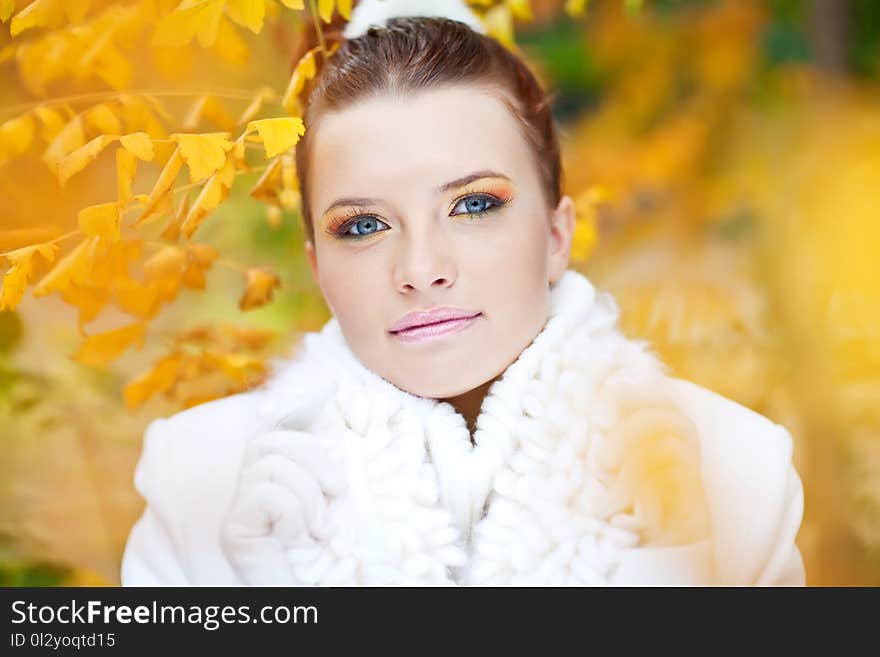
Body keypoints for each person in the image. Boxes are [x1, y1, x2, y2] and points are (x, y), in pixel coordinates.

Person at [120, 0, 805, 586]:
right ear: (318, 266)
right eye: (363, 224)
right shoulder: (199, 483)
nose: (421, 268)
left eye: (474, 205)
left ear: (558, 234)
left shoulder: (735, 472)